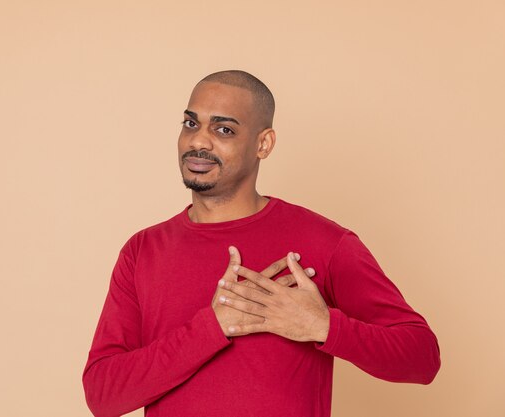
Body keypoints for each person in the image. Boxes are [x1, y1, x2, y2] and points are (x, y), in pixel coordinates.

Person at [82, 70, 440, 417]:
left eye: (223, 129)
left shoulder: (325, 242)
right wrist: (209, 330)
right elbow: (103, 396)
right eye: (191, 124)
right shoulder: (143, 251)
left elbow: (422, 359)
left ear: (263, 143)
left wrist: (324, 327)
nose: (199, 141)